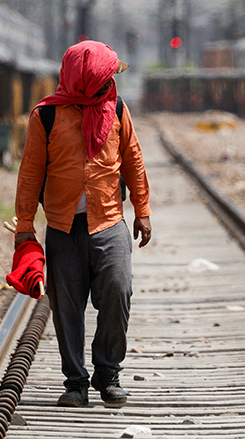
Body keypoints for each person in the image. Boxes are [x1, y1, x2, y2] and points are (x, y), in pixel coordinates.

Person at [13, 40, 152, 407]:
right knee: (67, 308)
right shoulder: (45, 116)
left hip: (109, 221)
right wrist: (25, 225)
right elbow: (30, 173)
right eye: (105, 77)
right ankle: (75, 382)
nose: (111, 83)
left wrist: (143, 210)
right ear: (85, 80)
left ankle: (108, 373)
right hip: (62, 226)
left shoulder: (117, 110)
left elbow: (133, 160)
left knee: (118, 292)